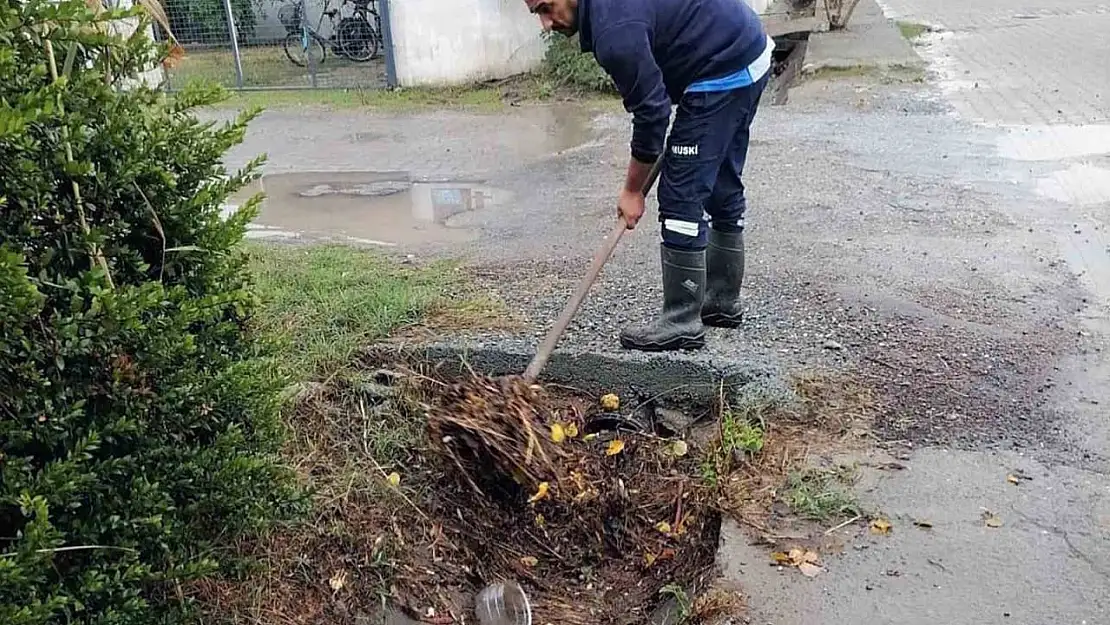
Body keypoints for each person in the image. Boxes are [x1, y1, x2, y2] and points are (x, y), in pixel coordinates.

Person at [524, 0, 774, 352]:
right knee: (720, 181)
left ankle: (682, 319)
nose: (546, 24)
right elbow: (656, 90)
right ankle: (721, 301)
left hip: (721, 67)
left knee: (681, 194)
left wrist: (632, 190)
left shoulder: (614, 31)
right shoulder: (608, 16)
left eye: (546, 8)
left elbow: (652, 113)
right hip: (747, 49)